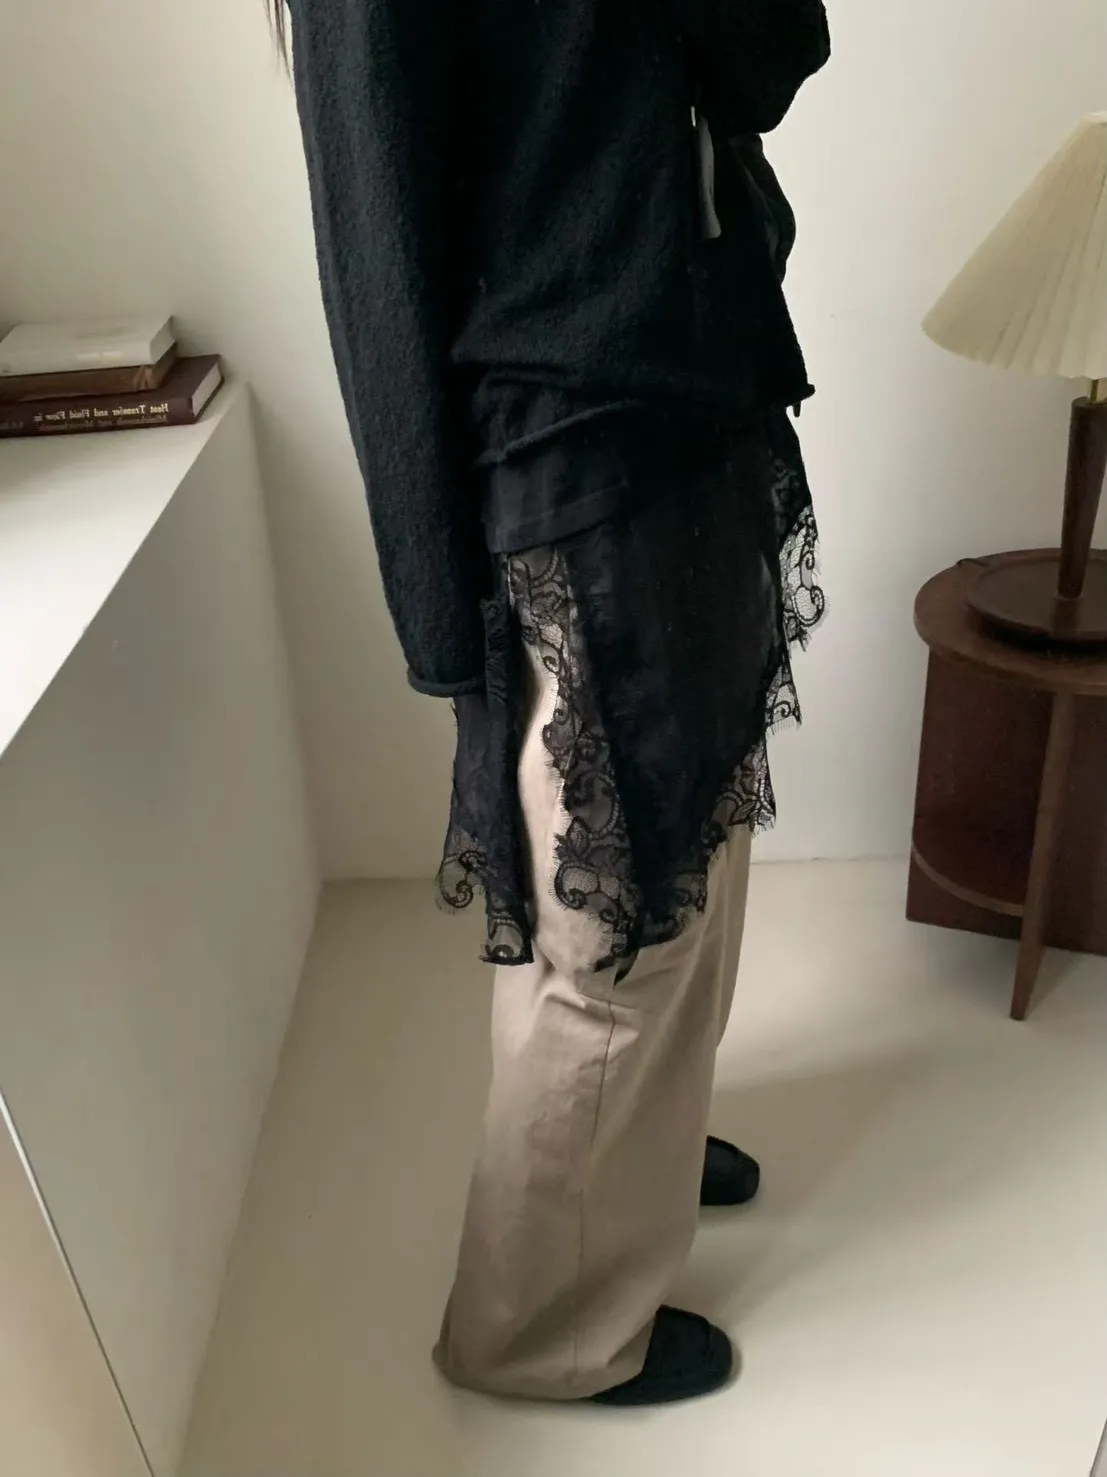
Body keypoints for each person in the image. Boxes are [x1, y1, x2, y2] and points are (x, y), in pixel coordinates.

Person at [279, 0, 829, 1406]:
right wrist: (433, 601)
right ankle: (539, 1333)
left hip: (699, 370)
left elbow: (777, 52)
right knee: (609, 906)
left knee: (700, 832)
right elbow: (372, 232)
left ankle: (636, 1149)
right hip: (559, 421)